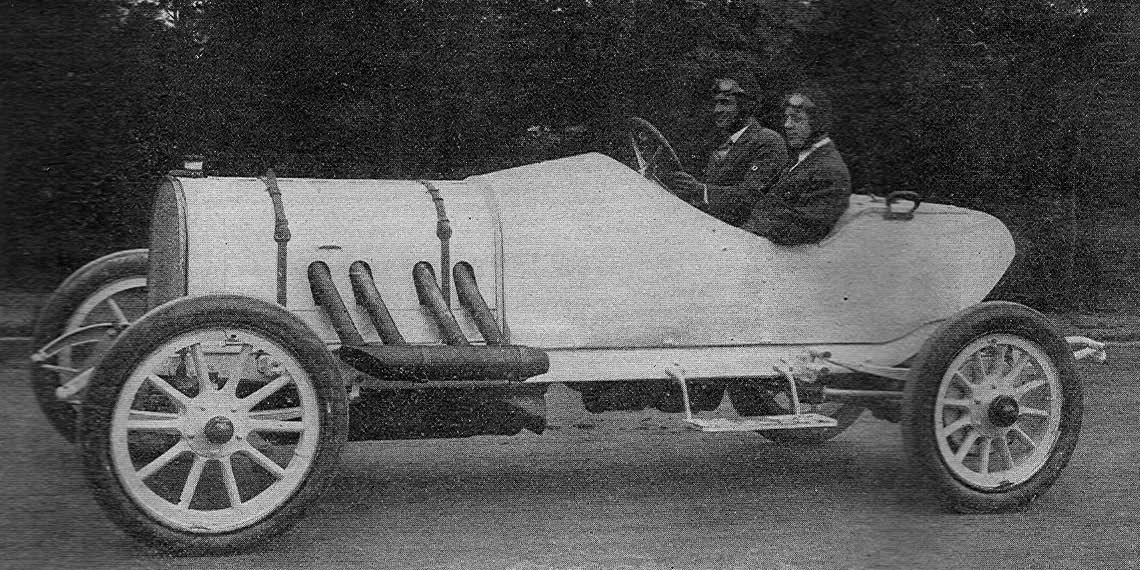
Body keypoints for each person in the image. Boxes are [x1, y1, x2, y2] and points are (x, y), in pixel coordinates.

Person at [662, 78, 789, 227]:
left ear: (746, 106)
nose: (717, 110)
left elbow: (751, 196)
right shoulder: (723, 142)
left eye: (725, 103)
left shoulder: (768, 141)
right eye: (716, 103)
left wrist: (701, 191)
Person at [742, 89, 852, 245]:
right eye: (786, 118)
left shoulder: (830, 169)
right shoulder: (802, 157)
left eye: (796, 119)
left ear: (817, 123)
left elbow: (806, 228)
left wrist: (750, 229)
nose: (787, 125)